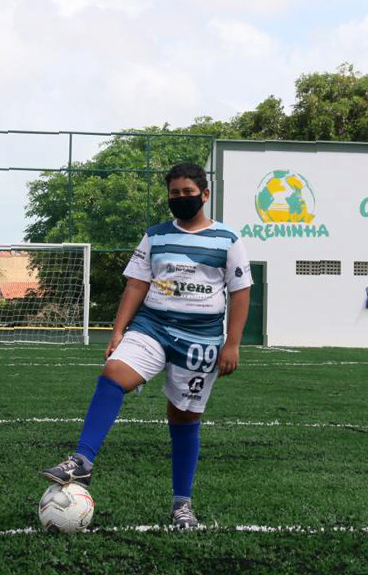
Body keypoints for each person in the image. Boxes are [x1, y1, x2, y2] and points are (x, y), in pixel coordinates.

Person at [41, 161, 253, 528]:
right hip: (152, 326)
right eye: (175, 194)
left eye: (188, 193)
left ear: (204, 195)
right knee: (114, 372)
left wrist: (232, 344)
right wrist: (119, 330)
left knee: (183, 419)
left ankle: (181, 505)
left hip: (200, 342)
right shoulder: (155, 236)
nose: (181, 199)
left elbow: (241, 291)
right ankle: (83, 460)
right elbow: (137, 284)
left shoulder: (228, 240)